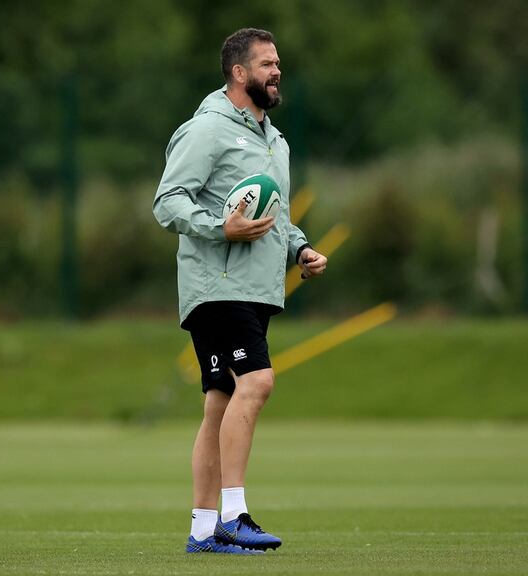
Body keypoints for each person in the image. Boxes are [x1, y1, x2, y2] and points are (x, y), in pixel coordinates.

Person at [153, 28, 328, 554]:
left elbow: (276, 218)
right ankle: (235, 515)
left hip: (257, 288)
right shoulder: (205, 130)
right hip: (217, 286)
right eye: (267, 63)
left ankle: (204, 530)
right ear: (238, 72)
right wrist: (220, 228)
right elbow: (168, 202)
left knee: (220, 400)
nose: (277, 71)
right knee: (258, 381)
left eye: (278, 63)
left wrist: (300, 248)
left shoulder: (276, 140)